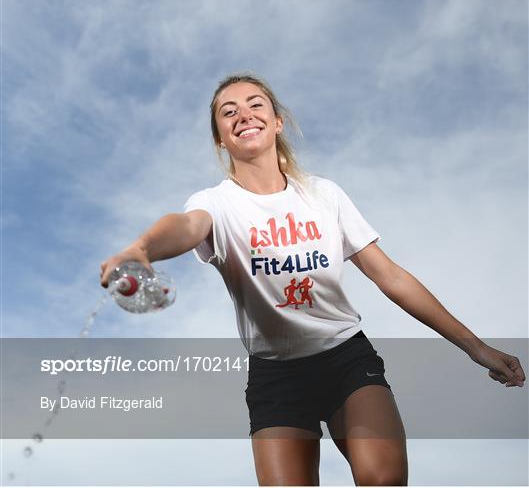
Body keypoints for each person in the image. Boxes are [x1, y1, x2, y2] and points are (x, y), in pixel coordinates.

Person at [100, 72, 526, 486]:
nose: (243, 115)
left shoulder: (324, 195)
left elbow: (391, 276)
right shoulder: (217, 203)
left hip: (345, 359)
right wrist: (141, 248)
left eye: (255, 105)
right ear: (220, 138)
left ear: (277, 121)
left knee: (384, 478)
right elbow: (187, 226)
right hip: (275, 376)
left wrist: (476, 347)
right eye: (228, 112)